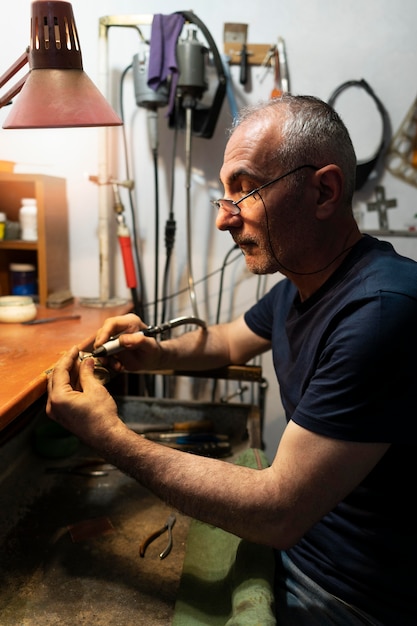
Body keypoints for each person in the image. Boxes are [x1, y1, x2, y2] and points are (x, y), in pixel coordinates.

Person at [47, 94, 417, 625]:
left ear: (324, 190)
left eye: (246, 190)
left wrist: (110, 437)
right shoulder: (303, 280)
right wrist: (149, 354)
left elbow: (278, 511)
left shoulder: (381, 312)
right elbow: (225, 341)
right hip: (300, 551)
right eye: (225, 195)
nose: (225, 220)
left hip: (348, 595)